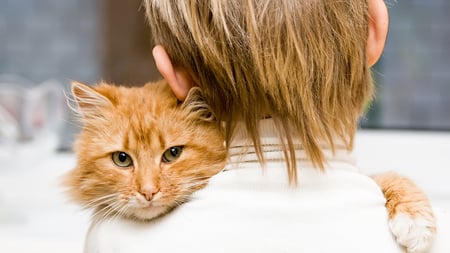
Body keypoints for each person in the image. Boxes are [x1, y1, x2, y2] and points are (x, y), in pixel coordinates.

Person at [84, 0, 448, 252]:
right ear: (375, 31)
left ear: (174, 74)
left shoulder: (115, 239)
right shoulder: (424, 237)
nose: (148, 187)